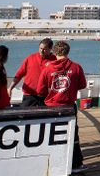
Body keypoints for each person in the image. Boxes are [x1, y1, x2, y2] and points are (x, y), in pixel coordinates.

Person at [37, 41, 86, 172]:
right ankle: (75, 164)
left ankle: (50, 164)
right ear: (67, 51)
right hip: (69, 107)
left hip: (51, 107)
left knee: (50, 135)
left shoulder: (47, 68)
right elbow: (82, 85)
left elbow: (40, 90)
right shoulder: (76, 67)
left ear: (54, 52)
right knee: (72, 135)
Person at [9, 38, 55, 107]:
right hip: (29, 95)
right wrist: (10, 88)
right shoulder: (30, 58)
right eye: (40, 48)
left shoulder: (54, 60)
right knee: (24, 115)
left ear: (50, 49)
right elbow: (19, 74)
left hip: (45, 96)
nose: (41, 51)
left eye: (44, 49)